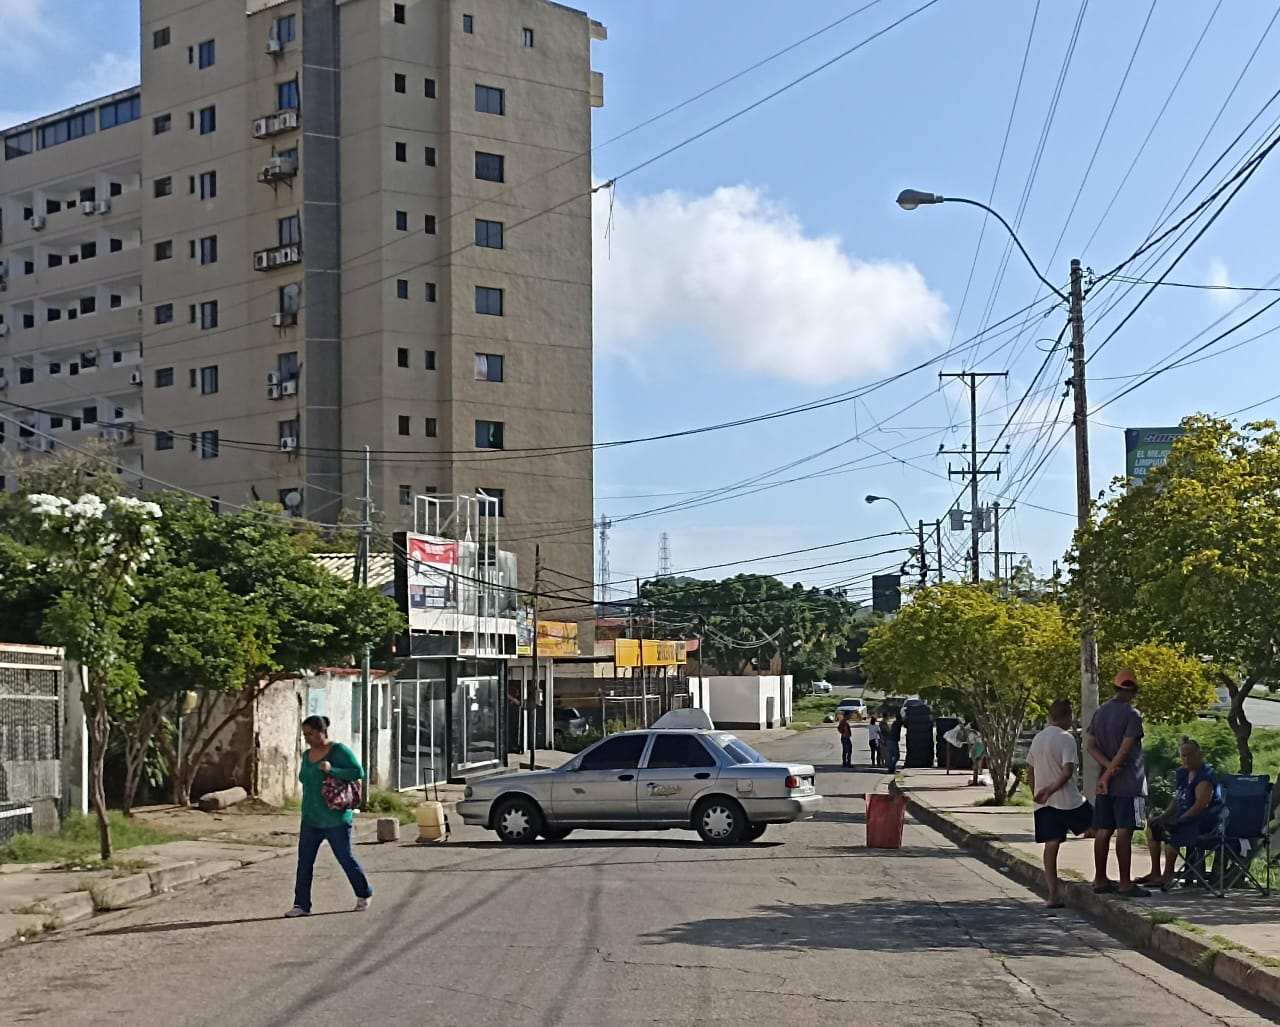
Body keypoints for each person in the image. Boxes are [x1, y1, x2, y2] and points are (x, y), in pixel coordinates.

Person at [286, 715, 374, 918]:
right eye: (305, 734)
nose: (307, 738)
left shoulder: (339, 751)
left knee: (344, 857)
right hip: (310, 817)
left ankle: (363, 893)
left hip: (336, 817)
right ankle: (301, 905)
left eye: (310, 734)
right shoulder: (307, 754)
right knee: (304, 862)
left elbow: (357, 771)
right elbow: (304, 778)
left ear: (322, 731)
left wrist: (331, 769)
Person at [1086, 670, 1150, 898]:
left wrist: (1105, 769)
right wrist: (1111, 772)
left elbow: (1091, 745)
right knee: (1125, 831)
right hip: (1129, 784)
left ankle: (1100, 879)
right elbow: (1126, 747)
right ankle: (1125, 883)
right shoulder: (1133, 715)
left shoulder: (1100, 713)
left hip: (1105, 785)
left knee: (1104, 829)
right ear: (1133, 691)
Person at [1027, 699, 1093, 909]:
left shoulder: (1038, 738)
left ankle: (1053, 894)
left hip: (1044, 803)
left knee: (1051, 845)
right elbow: (1067, 771)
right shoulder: (1067, 739)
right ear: (1067, 717)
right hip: (1069, 800)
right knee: (1101, 827)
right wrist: (1051, 790)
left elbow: (1030, 768)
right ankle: (1100, 877)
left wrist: (1036, 792)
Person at [1138, 737, 1224, 888]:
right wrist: (1164, 816)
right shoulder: (1183, 774)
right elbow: (1177, 799)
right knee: (1153, 825)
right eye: (1183, 755)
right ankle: (1155, 872)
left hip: (1203, 822)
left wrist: (1179, 820)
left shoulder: (1205, 776)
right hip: (1185, 818)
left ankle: (1167, 876)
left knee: (1174, 829)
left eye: (1190, 754)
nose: (1187, 759)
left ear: (1200, 755)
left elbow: (1200, 805)